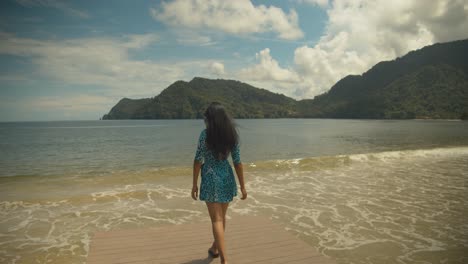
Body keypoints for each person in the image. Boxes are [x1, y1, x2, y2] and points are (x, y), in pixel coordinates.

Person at [191, 102, 247, 264]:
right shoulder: (231, 134)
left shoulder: (205, 135)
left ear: (210, 119)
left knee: (216, 219)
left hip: (210, 178)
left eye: (206, 117)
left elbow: (197, 160)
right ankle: (215, 248)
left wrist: (194, 184)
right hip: (227, 177)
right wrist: (243, 186)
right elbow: (237, 162)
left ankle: (224, 261)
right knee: (221, 217)